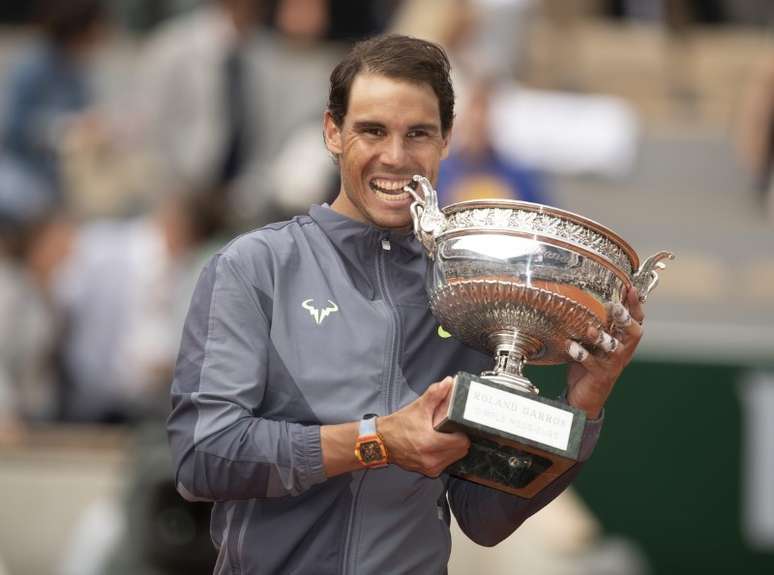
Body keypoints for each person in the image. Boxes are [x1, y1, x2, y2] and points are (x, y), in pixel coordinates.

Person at [167, 34, 646, 574]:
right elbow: (202, 455)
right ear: (332, 132)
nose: (395, 157)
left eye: (417, 133)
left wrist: (582, 406)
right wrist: (376, 442)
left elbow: (483, 517)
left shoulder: (467, 294)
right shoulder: (256, 266)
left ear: (446, 141)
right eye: (373, 130)